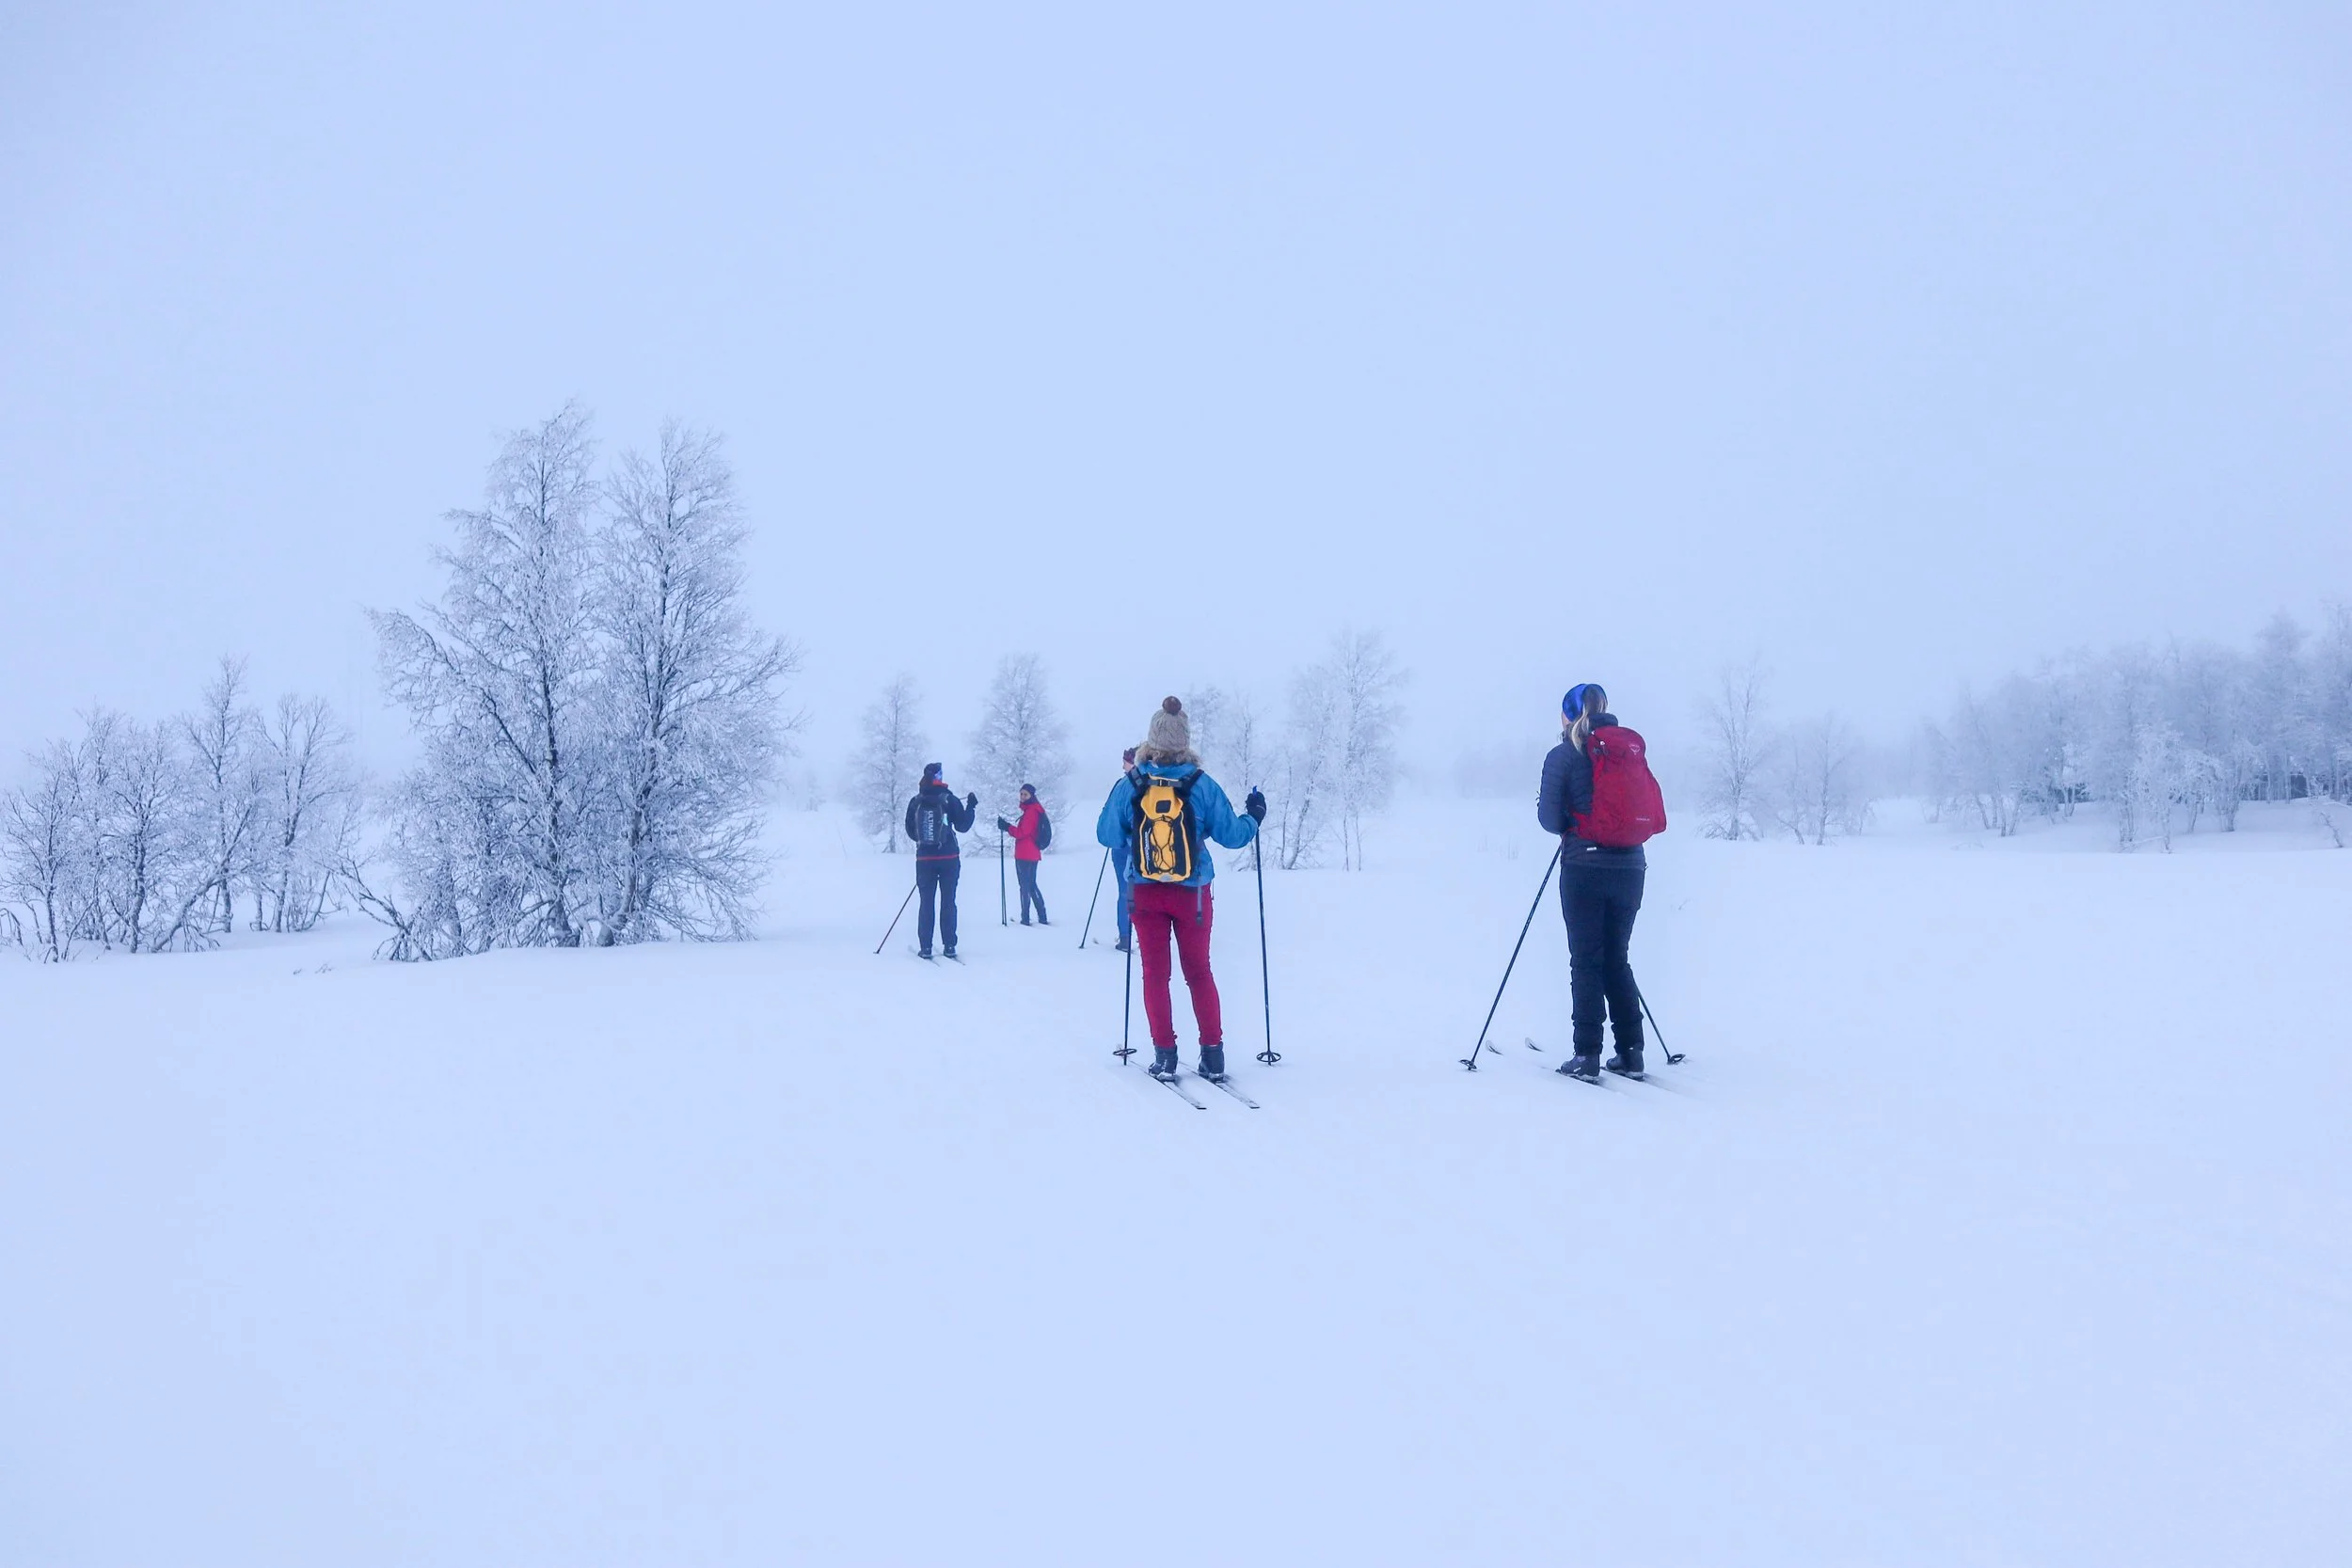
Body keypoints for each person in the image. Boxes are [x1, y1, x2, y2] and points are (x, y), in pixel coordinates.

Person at [1096, 698, 1265, 1081]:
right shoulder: (1201, 784)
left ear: (1150, 740)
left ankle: (1165, 1055)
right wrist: (1254, 816)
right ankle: (1213, 1054)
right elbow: (1234, 835)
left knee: (1155, 974)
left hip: (1144, 892)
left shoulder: (1133, 783)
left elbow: (1107, 834)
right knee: (1199, 971)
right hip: (1193, 895)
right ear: (1185, 741)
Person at [1537, 683, 1645, 1081]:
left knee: (1586, 960)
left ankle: (1587, 1055)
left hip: (1584, 867)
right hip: (1632, 867)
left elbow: (1550, 821)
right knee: (1617, 958)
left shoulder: (1564, 754)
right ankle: (1631, 1053)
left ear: (1568, 715)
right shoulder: (1623, 752)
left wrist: (1570, 817)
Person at [904, 762, 977, 958]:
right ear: (939, 777)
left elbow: (911, 832)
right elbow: (962, 826)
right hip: (949, 858)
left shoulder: (916, 801)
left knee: (926, 902)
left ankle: (926, 947)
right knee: (948, 901)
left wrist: (927, 841)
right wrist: (971, 806)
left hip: (925, 860)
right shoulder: (949, 799)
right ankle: (949, 945)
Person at [995, 784, 1050, 926]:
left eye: (1025, 794)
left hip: (1025, 853)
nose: (1022, 797)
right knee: (1031, 885)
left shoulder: (1031, 812)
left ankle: (1025, 918)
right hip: (1031, 853)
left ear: (1032, 795)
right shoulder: (1034, 810)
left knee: (1025, 886)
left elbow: (1022, 833)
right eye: (1021, 794)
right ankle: (1041, 915)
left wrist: (1007, 827)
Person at [1112, 748, 1136, 953]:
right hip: (1148, 848)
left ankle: (1126, 936)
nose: (1123, 766)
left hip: (1123, 848)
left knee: (1124, 892)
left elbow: (1110, 821)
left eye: (1126, 763)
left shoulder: (1122, 787)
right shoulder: (1155, 784)